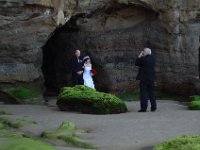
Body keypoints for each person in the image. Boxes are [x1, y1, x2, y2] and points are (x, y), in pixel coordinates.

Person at [135, 48, 157, 112]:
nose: (143, 52)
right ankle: (154, 107)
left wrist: (140, 55)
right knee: (152, 93)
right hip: (151, 78)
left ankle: (143, 108)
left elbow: (136, 63)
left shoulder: (143, 59)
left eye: (143, 51)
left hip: (144, 79)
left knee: (143, 94)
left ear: (146, 52)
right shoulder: (153, 58)